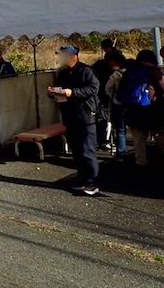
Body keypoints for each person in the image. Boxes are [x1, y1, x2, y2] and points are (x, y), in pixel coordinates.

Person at [51, 45, 101, 196]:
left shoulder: (87, 71)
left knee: (87, 150)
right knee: (77, 150)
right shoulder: (63, 73)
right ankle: (82, 178)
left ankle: (92, 182)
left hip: (86, 116)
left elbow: (94, 88)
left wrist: (73, 92)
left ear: (74, 55)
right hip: (69, 116)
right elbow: (59, 89)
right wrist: (53, 92)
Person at [120, 49, 164, 168]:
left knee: (139, 140)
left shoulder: (129, 71)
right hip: (153, 110)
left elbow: (120, 92)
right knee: (162, 137)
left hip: (134, 111)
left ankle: (141, 162)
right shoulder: (155, 72)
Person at [91, 39, 116, 151]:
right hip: (113, 93)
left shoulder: (104, 62)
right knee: (110, 118)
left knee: (104, 116)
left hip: (104, 92)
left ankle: (104, 140)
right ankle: (109, 141)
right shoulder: (117, 57)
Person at [104, 50, 128, 159]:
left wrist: (112, 96)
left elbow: (107, 88)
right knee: (138, 131)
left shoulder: (116, 74)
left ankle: (121, 153)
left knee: (120, 130)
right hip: (133, 104)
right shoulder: (130, 71)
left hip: (119, 104)